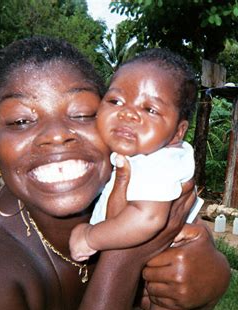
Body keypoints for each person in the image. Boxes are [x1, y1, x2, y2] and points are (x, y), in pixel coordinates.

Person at [0, 36, 230, 310]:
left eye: (83, 114)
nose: (57, 135)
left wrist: (209, 287)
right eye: (21, 121)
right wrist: (125, 255)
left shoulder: (132, 194)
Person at [69, 49, 202, 259]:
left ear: (178, 132)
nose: (128, 113)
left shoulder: (160, 163)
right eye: (115, 101)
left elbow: (148, 218)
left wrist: (90, 237)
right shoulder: (143, 155)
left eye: (150, 109)